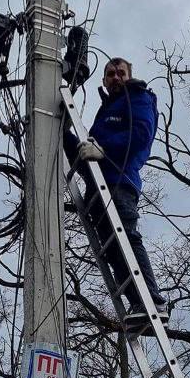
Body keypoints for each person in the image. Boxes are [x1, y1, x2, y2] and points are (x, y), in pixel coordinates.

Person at [66, 57, 168, 328]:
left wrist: (104, 149)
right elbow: (88, 150)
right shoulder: (107, 108)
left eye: (120, 73)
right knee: (112, 251)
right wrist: (65, 136)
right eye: (110, 74)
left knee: (127, 238)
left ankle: (153, 301)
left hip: (120, 181)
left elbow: (141, 135)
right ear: (104, 80)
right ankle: (138, 303)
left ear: (129, 75)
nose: (115, 77)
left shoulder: (139, 98)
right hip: (98, 185)